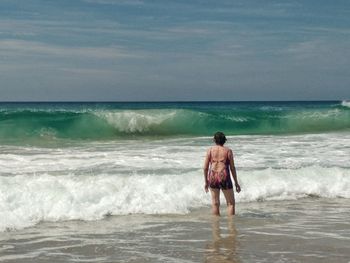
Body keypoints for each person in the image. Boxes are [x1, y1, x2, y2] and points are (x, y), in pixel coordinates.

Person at [203, 132, 241, 216]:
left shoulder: (210, 150)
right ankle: (231, 225)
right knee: (230, 203)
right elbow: (232, 168)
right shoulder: (228, 151)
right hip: (224, 175)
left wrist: (206, 182)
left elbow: (205, 168)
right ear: (224, 140)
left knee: (215, 203)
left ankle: (216, 227)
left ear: (214, 140)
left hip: (212, 175)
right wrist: (236, 183)